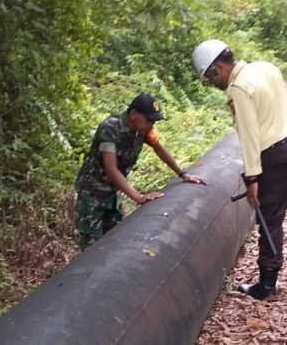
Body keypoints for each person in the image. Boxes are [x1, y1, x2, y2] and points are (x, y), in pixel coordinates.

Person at [191, 40, 287, 300]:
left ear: (217, 68)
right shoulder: (265, 68)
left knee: (270, 218)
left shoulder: (238, 87)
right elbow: (284, 103)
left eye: (209, 78)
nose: (212, 84)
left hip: (274, 155)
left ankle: (266, 284)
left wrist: (252, 177)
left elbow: (250, 135)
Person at [74, 93, 206, 250]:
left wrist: (183, 174)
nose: (151, 124)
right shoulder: (110, 128)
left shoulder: (143, 131)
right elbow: (110, 168)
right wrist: (138, 197)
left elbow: (158, 148)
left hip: (113, 191)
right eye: (148, 120)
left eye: (153, 121)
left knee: (113, 237)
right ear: (133, 114)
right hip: (92, 191)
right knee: (92, 243)